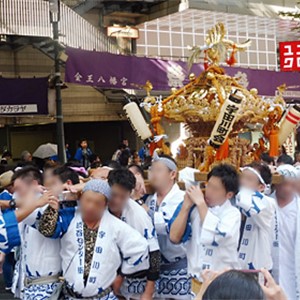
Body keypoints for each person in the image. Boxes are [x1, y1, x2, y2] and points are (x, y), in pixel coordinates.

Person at [39, 179, 150, 299]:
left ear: (105, 204)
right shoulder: (70, 216)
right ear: (80, 199)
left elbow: (140, 249)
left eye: (97, 203)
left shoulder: (116, 226)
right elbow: (47, 230)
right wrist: (53, 208)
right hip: (70, 295)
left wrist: (122, 275)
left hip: (103, 295)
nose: (90, 207)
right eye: (87, 200)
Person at [169, 164, 241, 296]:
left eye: (215, 188)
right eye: (208, 185)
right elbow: (174, 237)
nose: (209, 191)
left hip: (223, 284)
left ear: (229, 194)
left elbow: (218, 235)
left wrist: (201, 203)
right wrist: (186, 206)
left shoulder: (233, 214)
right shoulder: (196, 209)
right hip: (196, 281)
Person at [108, 169, 160, 299]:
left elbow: (154, 252)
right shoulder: (100, 208)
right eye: (114, 195)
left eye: (123, 196)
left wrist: (148, 292)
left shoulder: (138, 214)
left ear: (130, 194)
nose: (118, 201)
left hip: (138, 280)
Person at [10, 166, 62, 299]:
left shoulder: (46, 206)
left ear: (34, 184)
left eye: (18, 189)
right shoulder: (31, 205)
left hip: (45, 285)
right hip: (28, 283)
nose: (15, 195)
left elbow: (16, 215)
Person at [144, 153, 190, 298]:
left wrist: (148, 213)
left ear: (172, 174)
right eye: (151, 170)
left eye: (158, 170)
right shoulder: (150, 199)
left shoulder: (183, 198)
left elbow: (170, 230)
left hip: (179, 269)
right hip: (154, 271)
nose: (153, 174)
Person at [237, 162, 276, 271]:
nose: (242, 181)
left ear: (261, 187)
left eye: (249, 179)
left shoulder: (267, 203)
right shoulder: (236, 200)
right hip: (239, 267)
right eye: (242, 177)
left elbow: (247, 202)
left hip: (258, 269)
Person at [271, 164, 300, 300]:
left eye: (291, 184)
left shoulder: (297, 207)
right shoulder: (266, 204)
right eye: (283, 184)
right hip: (270, 265)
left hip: (293, 264)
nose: (287, 188)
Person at [0, 170, 15, 291]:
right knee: (8, 259)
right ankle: (10, 283)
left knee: (7, 259)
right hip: (10, 229)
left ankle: (10, 283)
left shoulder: (2, 196)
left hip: (6, 230)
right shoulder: (8, 196)